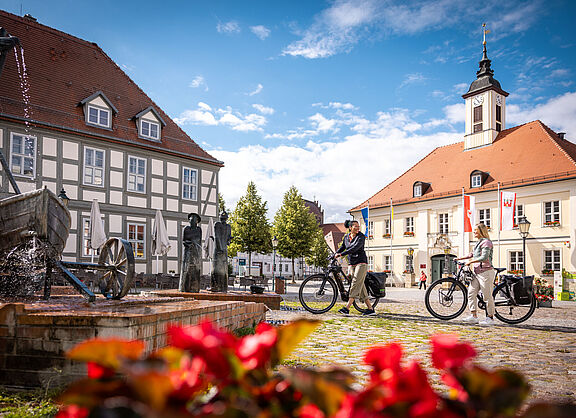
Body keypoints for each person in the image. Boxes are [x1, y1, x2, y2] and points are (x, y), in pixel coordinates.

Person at [455, 223, 495, 326]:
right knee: (471, 293)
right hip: (477, 273)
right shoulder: (478, 243)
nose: (474, 232)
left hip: (486, 272)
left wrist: (471, 262)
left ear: (481, 231)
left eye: (476, 230)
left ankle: (490, 318)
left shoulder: (487, 242)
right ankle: (474, 316)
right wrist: (459, 258)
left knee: (487, 296)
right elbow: (471, 254)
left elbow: (484, 257)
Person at [335, 220, 376, 316]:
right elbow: (342, 247)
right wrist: (335, 254)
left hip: (361, 263)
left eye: (358, 226)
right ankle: (370, 309)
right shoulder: (346, 237)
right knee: (360, 286)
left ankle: (347, 308)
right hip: (352, 263)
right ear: (350, 228)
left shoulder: (361, 237)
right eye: (355, 226)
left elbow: (354, 248)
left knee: (355, 283)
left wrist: (342, 254)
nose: (358, 228)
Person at [180, 213, 202, 293]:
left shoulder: (199, 230)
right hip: (188, 252)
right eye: (191, 219)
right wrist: (189, 244)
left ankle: (195, 288)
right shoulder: (186, 229)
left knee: (195, 270)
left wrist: (197, 248)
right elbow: (183, 241)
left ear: (197, 221)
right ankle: (185, 288)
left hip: (196, 252)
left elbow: (199, 241)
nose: (192, 221)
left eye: (194, 219)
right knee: (186, 270)